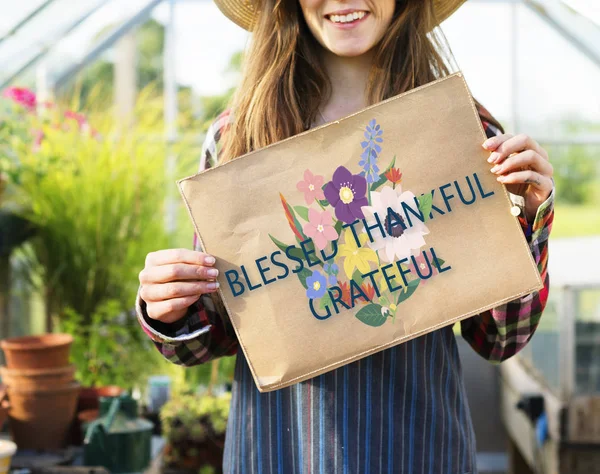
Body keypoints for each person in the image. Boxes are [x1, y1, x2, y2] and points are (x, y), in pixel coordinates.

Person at [136, 1, 555, 472]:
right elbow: (214, 337)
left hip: (417, 449)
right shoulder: (238, 137)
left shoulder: (464, 131)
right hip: (282, 451)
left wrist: (529, 217)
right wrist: (170, 307)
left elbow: (498, 339)